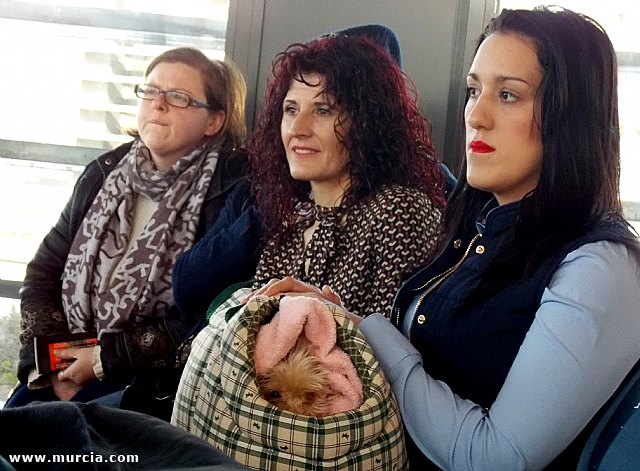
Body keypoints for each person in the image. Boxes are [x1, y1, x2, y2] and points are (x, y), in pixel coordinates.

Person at [250, 7, 640, 470]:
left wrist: (374, 336)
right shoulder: (480, 226)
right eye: (474, 91)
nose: (477, 116)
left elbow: (496, 458)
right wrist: (341, 318)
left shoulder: (598, 267)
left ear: (570, 117)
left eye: (508, 95)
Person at [7, 47, 250, 408]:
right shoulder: (102, 173)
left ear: (214, 121)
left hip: (148, 385)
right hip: (62, 367)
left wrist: (102, 361)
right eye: (150, 91)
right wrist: (54, 364)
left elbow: (207, 316)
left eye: (178, 96)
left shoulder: (231, 191)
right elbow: (44, 271)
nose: (158, 104)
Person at [173, 33, 445, 319]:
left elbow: (402, 340)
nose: (297, 129)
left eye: (323, 110)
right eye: (291, 110)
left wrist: (334, 318)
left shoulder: (398, 210)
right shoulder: (292, 218)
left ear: (367, 123)